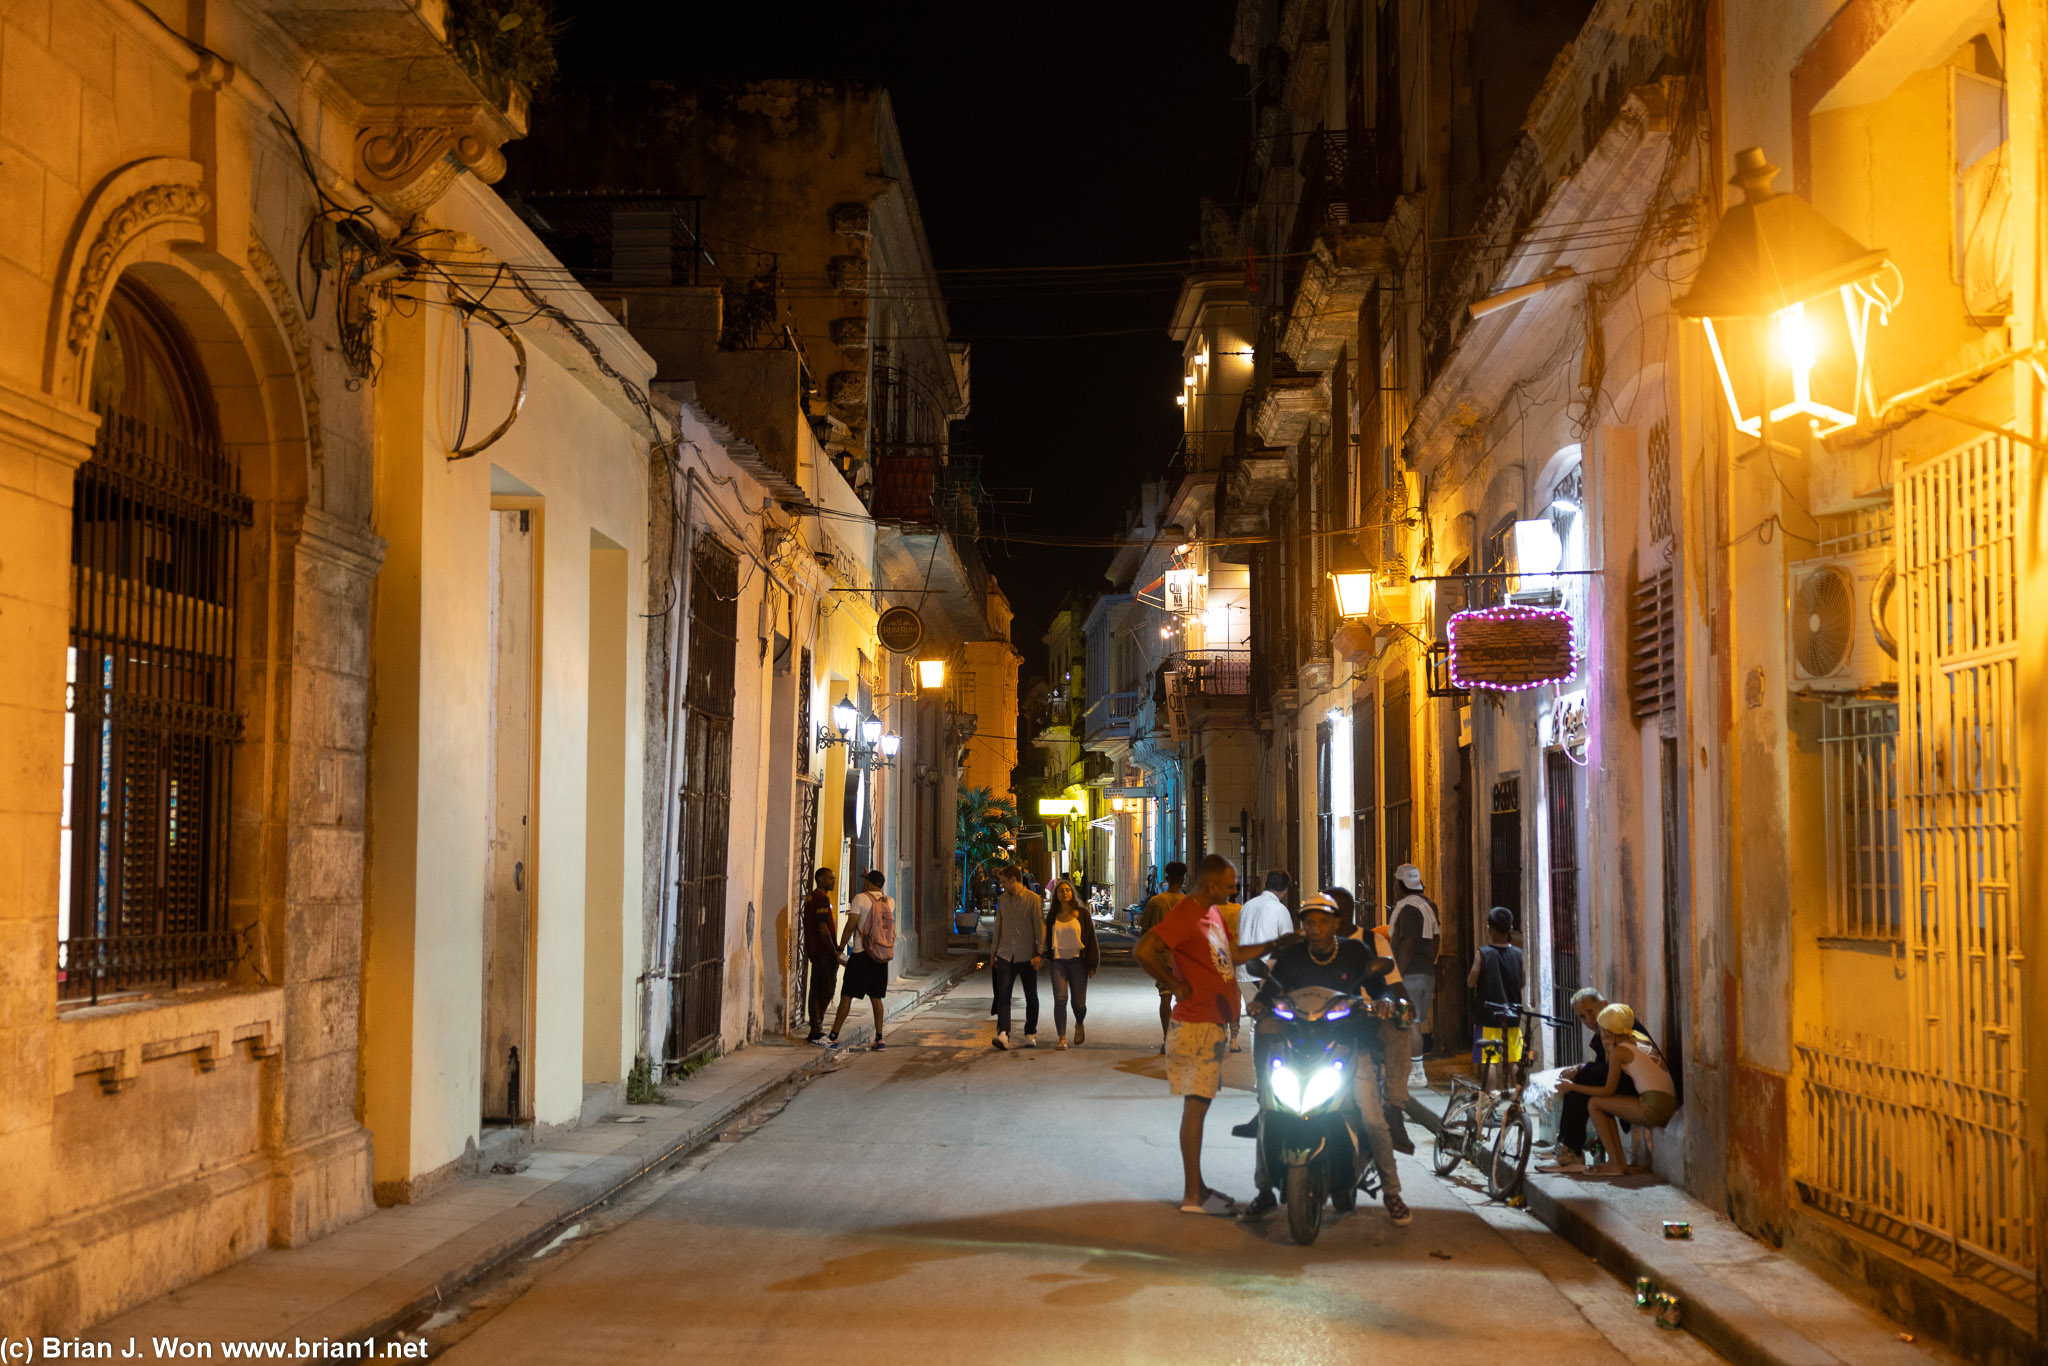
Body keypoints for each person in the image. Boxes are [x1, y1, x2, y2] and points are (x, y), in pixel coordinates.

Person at [1238, 893, 1412, 1227]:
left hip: (1348, 1046)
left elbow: (1383, 988)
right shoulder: (1291, 955)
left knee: (1373, 1118)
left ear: (1335, 923)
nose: (1315, 929)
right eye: (1309, 922)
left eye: (1322, 922)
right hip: (1296, 1048)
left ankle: (1392, 1193)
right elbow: (1270, 989)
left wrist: (1386, 1002)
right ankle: (1264, 1190)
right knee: (1268, 1111)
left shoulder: (1355, 952)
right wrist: (1260, 1004)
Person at [1135, 854, 1281, 1216]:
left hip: (1211, 1022)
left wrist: (1274, 945)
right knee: (1195, 1109)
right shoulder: (1187, 912)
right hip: (1196, 1023)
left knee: (1199, 1107)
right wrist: (1174, 984)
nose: (1234, 889)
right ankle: (1192, 1196)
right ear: (1212, 883)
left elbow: (1230, 954)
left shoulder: (1213, 913)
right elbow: (1145, 949)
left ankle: (1198, 1187)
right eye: (1230, 884)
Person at [1565, 1003, 1680, 1176]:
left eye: (1603, 1029)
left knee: (1595, 1103)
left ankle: (1615, 1164)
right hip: (1668, 1103)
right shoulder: (1639, 1038)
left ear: (1609, 1031)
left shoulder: (1620, 1052)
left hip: (1654, 1108)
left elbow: (1607, 1090)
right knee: (1605, 1104)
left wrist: (1572, 1086)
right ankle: (1618, 1162)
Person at [826, 870, 895, 1049]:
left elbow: (850, 925)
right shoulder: (889, 902)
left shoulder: (860, 899)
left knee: (847, 995)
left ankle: (834, 1035)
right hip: (881, 956)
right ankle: (880, 1038)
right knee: (876, 997)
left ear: (869, 883)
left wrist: (840, 948)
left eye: (866, 881)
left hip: (861, 954)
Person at [1230, 871, 1295, 1053]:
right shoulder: (1280, 910)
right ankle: (1272, 1065)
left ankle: (1259, 1073)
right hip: (1266, 973)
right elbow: (1287, 941)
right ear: (1285, 890)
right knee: (1275, 1022)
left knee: (1256, 1023)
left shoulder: (1247, 906)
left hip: (1244, 971)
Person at [1467, 906, 1525, 1091]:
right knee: (1513, 1059)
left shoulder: (1483, 953)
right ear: (1510, 928)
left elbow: (1471, 981)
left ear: (1488, 928)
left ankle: (1489, 1101)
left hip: (1488, 1016)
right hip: (1513, 1016)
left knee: (1489, 1060)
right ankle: (1518, 1101)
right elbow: (1522, 982)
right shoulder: (1518, 954)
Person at [989, 866, 1044, 1049]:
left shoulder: (1033, 900)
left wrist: (1039, 954)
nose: (1002, 885)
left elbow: (1039, 927)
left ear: (1014, 880)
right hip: (1005, 954)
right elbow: (998, 926)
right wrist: (993, 952)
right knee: (1003, 994)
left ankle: (1030, 1032)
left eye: (1004, 881)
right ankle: (1003, 1033)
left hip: (1027, 955)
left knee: (1031, 996)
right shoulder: (1002, 900)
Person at [1043, 878, 1100, 1048]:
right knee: (1060, 1000)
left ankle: (1079, 1023)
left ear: (1072, 893)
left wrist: (1092, 965)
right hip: (1058, 963)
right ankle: (1062, 1038)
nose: (1065, 893)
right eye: (1061, 891)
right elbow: (1047, 939)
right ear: (1056, 895)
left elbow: (1091, 940)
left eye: (1067, 890)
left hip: (1078, 963)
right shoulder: (1052, 916)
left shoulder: (1082, 914)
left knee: (1079, 1003)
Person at [1139, 862, 1188, 1053]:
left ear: (1166, 879)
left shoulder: (1156, 902)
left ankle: (1168, 1041)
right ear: (1183, 879)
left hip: (1163, 960)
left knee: (1165, 999)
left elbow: (1145, 932)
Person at [801, 868, 841, 1046]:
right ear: (820, 879)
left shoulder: (811, 898)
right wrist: (833, 950)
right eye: (830, 878)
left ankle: (816, 1029)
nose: (833, 880)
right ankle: (816, 1030)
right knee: (825, 990)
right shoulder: (821, 899)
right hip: (823, 952)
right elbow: (822, 928)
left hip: (816, 951)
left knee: (818, 988)